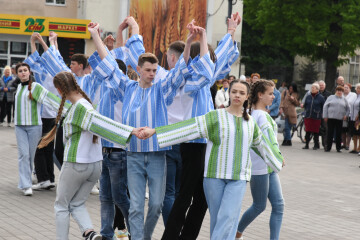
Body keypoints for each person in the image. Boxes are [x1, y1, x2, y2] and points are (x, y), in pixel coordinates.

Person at [90, 19, 214, 240]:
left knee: (156, 205)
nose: (152, 73)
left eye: (155, 69)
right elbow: (109, 64)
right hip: (134, 156)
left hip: (157, 155)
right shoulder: (127, 87)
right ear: (138, 70)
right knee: (137, 207)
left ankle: (144, 236)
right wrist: (95, 36)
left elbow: (178, 73)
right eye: (148, 70)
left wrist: (188, 41)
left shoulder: (162, 89)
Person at [138, 80, 283, 240]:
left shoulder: (250, 122)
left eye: (242, 93)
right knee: (218, 220)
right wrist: (156, 131)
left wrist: (277, 159)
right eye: (234, 91)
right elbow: (189, 128)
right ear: (229, 93)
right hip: (214, 177)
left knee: (227, 217)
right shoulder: (216, 116)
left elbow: (263, 145)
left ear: (247, 96)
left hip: (239, 178)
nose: (237, 95)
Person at [36, 70, 142, 240]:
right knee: (77, 203)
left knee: (61, 206)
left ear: (60, 89)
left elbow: (102, 125)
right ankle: (90, 234)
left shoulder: (79, 107)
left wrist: (130, 131)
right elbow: (98, 123)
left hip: (76, 163)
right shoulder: (83, 104)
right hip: (95, 165)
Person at [236, 79, 285, 240]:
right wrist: (278, 158)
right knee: (259, 205)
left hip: (267, 167)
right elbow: (269, 142)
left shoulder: (253, 115)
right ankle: (236, 232)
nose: (273, 97)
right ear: (259, 95)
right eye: (270, 94)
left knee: (278, 205)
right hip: (260, 167)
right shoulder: (261, 116)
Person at [323, 86, 350, 152]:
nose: (339, 92)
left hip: (339, 119)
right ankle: (328, 147)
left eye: (340, 91)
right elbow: (325, 106)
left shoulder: (344, 99)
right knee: (330, 133)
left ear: (342, 92)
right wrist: (325, 116)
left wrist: (346, 115)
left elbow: (348, 109)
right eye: (338, 90)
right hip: (331, 118)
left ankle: (338, 148)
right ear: (336, 91)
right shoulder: (330, 97)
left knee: (338, 133)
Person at [302, 83, 325, 150]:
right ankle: (306, 145)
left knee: (316, 132)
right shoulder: (308, 96)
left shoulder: (321, 97)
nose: (312, 89)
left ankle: (316, 145)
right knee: (308, 131)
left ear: (317, 89)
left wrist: (321, 114)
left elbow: (323, 107)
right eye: (311, 88)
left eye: (313, 88)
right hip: (308, 115)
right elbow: (305, 105)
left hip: (316, 117)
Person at [342, 83, 356, 150]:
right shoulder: (341, 94)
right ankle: (344, 144)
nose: (345, 89)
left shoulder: (353, 95)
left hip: (350, 115)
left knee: (349, 131)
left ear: (350, 89)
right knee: (343, 130)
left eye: (347, 87)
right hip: (342, 115)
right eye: (344, 87)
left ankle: (347, 144)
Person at [348, 83, 360, 153]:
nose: (358, 89)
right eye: (357, 88)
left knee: (359, 133)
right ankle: (354, 148)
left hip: (358, 119)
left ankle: (359, 147)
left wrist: (358, 115)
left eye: (359, 88)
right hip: (352, 117)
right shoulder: (355, 96)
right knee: (354, 133)